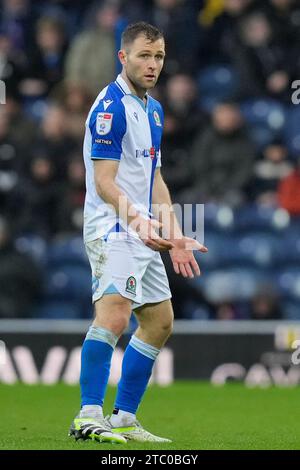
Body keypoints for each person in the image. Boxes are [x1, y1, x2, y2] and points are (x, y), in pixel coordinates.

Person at [69, 21, 207, 444]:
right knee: (114, 313)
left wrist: (176, 233)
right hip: (113, 225)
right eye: (144, 56)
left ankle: (124, 417)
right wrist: (138, 221)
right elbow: (106, 182)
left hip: (142, 228)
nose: (152, 65)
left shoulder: (154, 109)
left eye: (159, 56)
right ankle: (88, 415)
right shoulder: (110, 107)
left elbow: (156, 180)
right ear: (123, 57)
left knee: (160, 321)